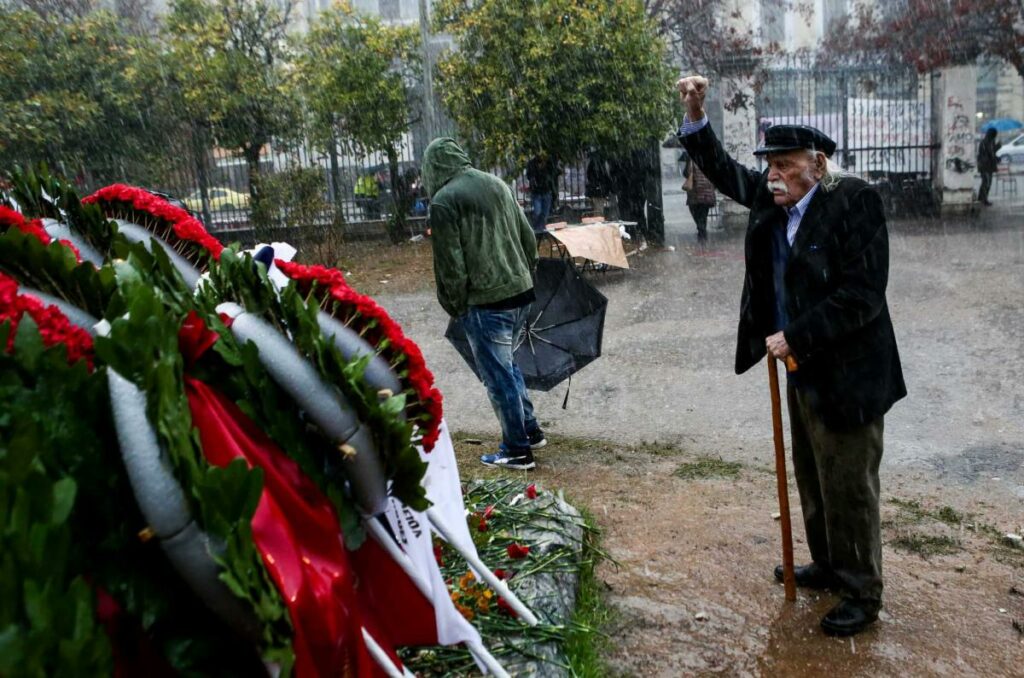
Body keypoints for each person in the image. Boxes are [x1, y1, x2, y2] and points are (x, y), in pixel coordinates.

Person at [676, 75, 906, 637]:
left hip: (849, 375)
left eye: (785, 164)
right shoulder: (772, 201)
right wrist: (695, 114)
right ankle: (828, 565)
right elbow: (726, 171)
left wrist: (796, 335)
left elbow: (862, 294)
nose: (773, 175)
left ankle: (862, 591)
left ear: (818, 167)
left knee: (849, 483)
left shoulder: (855, 203)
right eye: (770, 165)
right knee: (812, 474)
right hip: (800, 369)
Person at [423, 137, 547, 469]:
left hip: (486, 301)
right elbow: (528, 238)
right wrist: (523, 273)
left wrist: (456, 305)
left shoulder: (444, 201)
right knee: (508, 366)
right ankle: (530, 430)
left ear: (432, 167)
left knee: (496, 376)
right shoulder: (496, 184)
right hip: (520, 293)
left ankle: (517, 449)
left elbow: (451, 264)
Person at [682, 153, 716, 245]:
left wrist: (687, 163)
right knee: (703, 215)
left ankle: (701, 232)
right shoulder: (710, 160)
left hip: (695, 194)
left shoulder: (692, 159)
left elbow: (686, 174)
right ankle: (702, 233)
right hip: (707, 193)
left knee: (696, 214)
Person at [526, 153, 561, 233]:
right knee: (537, 213)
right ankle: (537, 231)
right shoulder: (532, 163)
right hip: (537, 192)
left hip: (546, 191)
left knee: (544, 214)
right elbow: (528, 175)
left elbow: (555, 173)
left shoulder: (549, 163)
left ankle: (541, 230)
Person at [977, 128, 1001, 206]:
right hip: (985, 165)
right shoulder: (986, 142)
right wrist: (997, 147)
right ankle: (983, 199)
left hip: (988, 165)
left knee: (986, 182)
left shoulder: (990, 141)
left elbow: (992, 152)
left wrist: (997, 146)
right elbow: (990, 153)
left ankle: (982, 198)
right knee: (986, 183)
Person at [585, 150, 613, 216]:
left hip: (595, 189)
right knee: (599, 212)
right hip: (599, 190)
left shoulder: (593, 161)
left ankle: (597, 222)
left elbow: (589, 174)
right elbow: (606, 177)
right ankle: (598, 223)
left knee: (597, 211)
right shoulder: (601, 163)